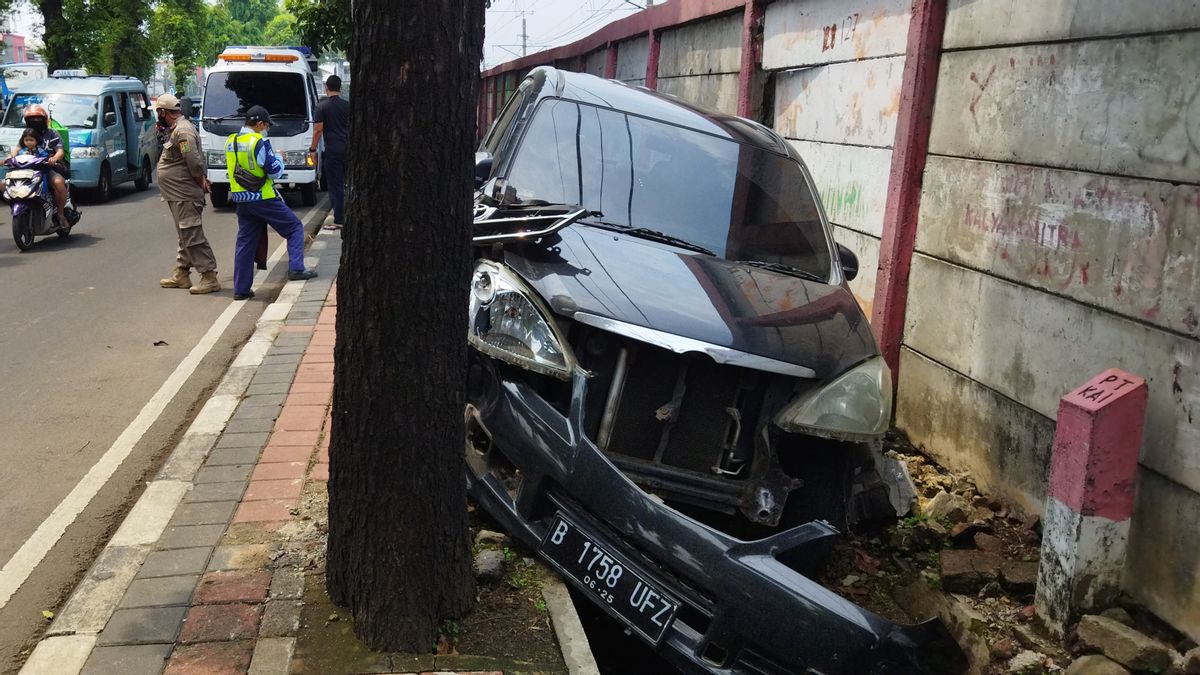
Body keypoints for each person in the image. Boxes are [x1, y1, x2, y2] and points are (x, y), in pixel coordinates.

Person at [226, 105, 317, 301]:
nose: (267, 128)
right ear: (259, 124)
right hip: (263, 197)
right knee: (294, 227)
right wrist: (279, 157)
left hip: (241, 200)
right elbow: (274, 171)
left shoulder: (231, 141)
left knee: (245, 243)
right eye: (266, 125)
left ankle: (241, 289)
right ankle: (296, 268)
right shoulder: (259, 142)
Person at [155, 93, 221, 294]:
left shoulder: (183, 131)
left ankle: (209, 276)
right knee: (185, 233)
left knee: (192, 234)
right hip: (178, 192)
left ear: (163, 112)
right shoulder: (177, 129)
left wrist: (200, 179)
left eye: (159, 113)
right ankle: (181, 273)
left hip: (184, 192)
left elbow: (192, 159)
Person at [12, 105, 69, 228]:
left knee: (59, 182)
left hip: (47, 168)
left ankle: (60, 214)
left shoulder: (52, 133)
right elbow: (16, 150)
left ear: (45, 120)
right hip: (27, 169)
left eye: (38, 119)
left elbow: (60, 151)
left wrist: (54, 158)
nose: (35, 122)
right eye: (31, 120)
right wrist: (9, 158)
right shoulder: (27, 134)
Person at [310, 75, 348, 230]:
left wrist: (312, 149)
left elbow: (318, 130)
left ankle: (339, 219)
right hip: (348, 149)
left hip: (332, 150)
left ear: (326, 88)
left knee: (336, 185)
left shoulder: (322, 107)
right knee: (347, 184)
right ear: (340, 88)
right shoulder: (348, 106)